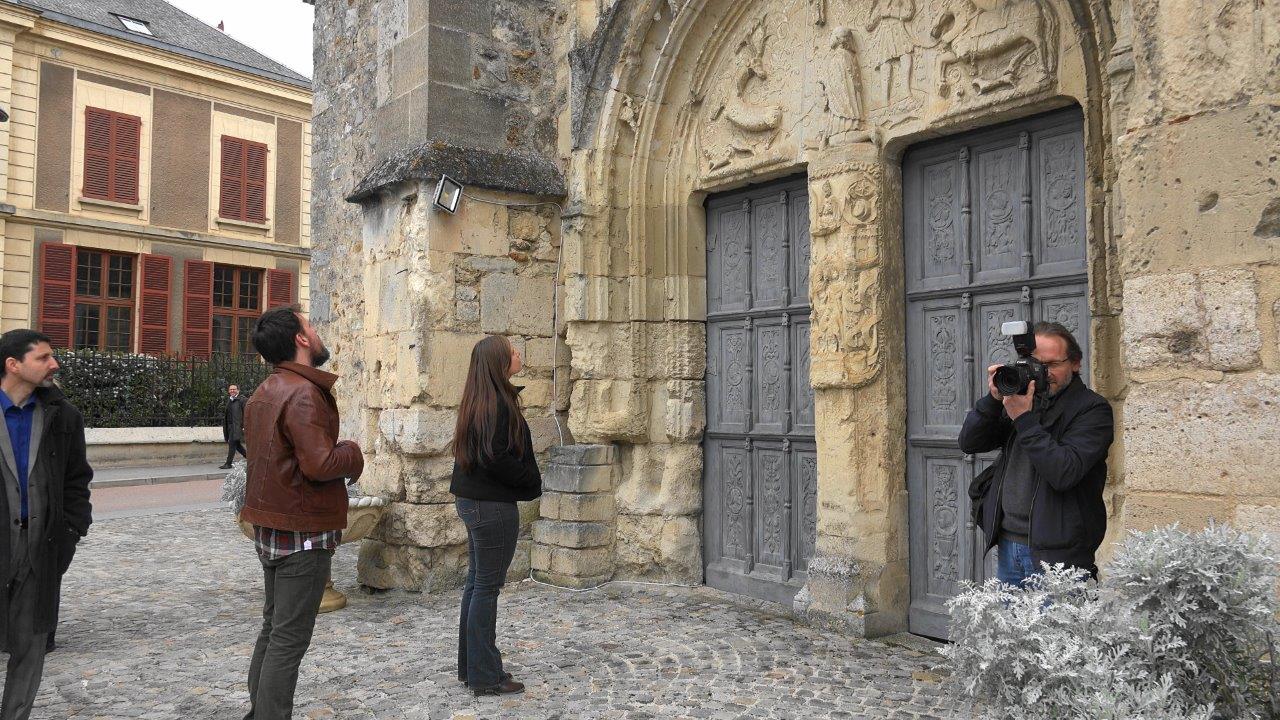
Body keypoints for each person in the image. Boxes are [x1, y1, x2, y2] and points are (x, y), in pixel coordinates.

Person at [239, 306, 363, 720]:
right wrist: (353, 453)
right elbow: (320, 464)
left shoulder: (266, 389)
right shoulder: (303, 392)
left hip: (275, 526)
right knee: (288, 639)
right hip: (300, 532)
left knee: (274, 630)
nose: (316, 331)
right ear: (301, 340)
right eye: (310, 325)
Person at [959, 321, 1114, 588]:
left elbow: (1064, 472)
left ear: (1075, 364)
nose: (1043, 373)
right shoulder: (1024, 399)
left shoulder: (1092, 410)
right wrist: (993, 401)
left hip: (1060, 554)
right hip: (1009, 544)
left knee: (1060, 631)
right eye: (1035, 364)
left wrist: (1024, 418)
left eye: (1052, 365)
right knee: (1011, 630)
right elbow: (970, 442)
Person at [0, 330, 92, 719]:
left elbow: (77, 480)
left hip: (41, 549)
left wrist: (70, 533)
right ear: (13, 365)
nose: (54, 364)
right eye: (44, 357)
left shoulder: (62, 415)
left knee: (31, 645)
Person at [450, 336, 542, 697]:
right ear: (500, 363)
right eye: (513, 351)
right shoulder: (497, 406)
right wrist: (530, 480)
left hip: (473, 501)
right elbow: (497, 458)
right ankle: (486, 675)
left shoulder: (480, 400)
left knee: (477, 584)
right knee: (486, 587)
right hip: (491, 506)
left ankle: (471, 667)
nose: (518, 354)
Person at [220, 384, 246, 469]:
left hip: (237, 426)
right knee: (237, 445)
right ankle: (251, 459)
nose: (232, 391)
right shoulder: (230, 400)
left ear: (238, 390)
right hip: (230, 427)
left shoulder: (242, 400)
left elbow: (246, 414)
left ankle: (228, 463)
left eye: (234, 389)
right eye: (230, 389)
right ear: (228, 391)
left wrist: (244, 425)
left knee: (232, 443)